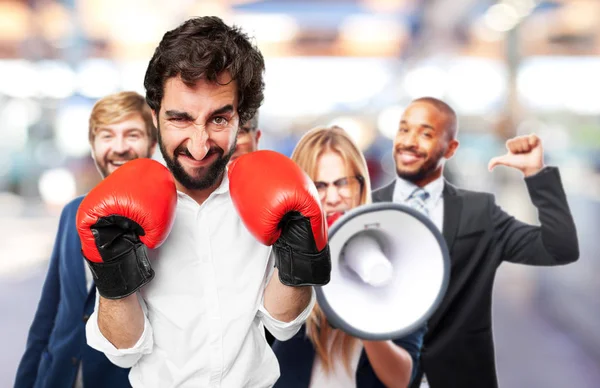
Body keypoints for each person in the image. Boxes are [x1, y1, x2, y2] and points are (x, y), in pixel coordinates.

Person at [79, 16, 331, 387]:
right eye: (180, 119)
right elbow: (124, 348)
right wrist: (114, 273)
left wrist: (300, 250)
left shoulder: (265, 193)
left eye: (218, 120)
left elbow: (283, 324)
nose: (199, 146)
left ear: (240, 117)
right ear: (155, 117)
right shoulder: (121, 207)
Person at [372, 96, 580, 388]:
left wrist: (536, 175)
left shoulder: (479, 213)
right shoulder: (366, 211)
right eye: (404, 130)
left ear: (451, 148)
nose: (409, 141)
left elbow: (559, 248)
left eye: (426, 133)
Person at [14, 90, 157, 388]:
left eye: (132, 134)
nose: (119, 147)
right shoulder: (72, 213)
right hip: (56, 376)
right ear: (93, 146)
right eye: (107, 136)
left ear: (152, 143)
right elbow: (49, 311)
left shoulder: (166, 219)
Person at [272, 125, 426, 388]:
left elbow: (401, 379)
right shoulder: (279, 259)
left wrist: (363, 314)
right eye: (318, 185)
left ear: (361, 185)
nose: (332, 197)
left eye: (342, 182)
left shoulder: (396, 261)